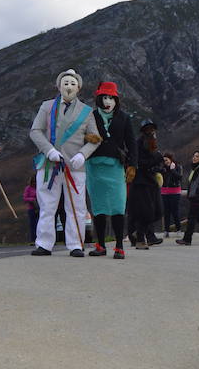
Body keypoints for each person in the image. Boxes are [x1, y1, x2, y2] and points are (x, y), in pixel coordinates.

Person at [29, 69, 100, 257]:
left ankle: (76, 244)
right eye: (65, 83)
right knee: (47, 205)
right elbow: (35, 131)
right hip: (49, 164)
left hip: (75, 166)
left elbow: (95, 139)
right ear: (59, 86)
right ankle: (44, 243)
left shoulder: (87, 112)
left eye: (72, 83)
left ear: (79, 88)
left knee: (77, 206)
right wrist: (49, 150)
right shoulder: (47, 107)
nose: (69, 86)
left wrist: (83, 155)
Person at [86, 81, 136, 259]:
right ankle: (100, 245)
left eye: (111, 98)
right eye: (104, 98)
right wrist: (86, 138)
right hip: (94, 167)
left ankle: (119, 246)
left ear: (116, 100)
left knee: (117, 206)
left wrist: (133, 166)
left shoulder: (124, 118)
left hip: (116, 167)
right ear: (99, 99)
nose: (107, 102)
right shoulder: (90, 117)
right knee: (98, 207)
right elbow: (79, 137)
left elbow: (131, 143)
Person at [127, 119, 165, 250]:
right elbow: (141, 163)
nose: (151, 131)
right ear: (144, 131)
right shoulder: (139, 144)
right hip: (141, 182)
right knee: (145, 212)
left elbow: (154, 162)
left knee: (157, 211)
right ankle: (140, 238)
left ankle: (140, 234)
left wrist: (159, 167)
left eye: (152, 129)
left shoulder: (152, 144)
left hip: (151, 181)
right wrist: (157, 159)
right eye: (148, 129)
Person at [160, 153, 183, 236]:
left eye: (166, 160)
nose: (165, 162)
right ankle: (166, 230)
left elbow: (179, 177)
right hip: (164, 191)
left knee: (175, 211)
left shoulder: (177, 166)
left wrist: (172, 170)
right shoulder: (162, 168)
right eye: (164, 160)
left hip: (175, 191)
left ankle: (178, 229)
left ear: (170, 159)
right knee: (166, 212)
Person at [24, 175, 38, 245]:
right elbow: (25, 198)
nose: (35, 183)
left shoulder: (39, 187)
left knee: (38, 224)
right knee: (32, 225)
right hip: (31, 209)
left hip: (39, 208)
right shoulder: (28, 188)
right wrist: (32, 199)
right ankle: (33, 240)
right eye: (33, 182)